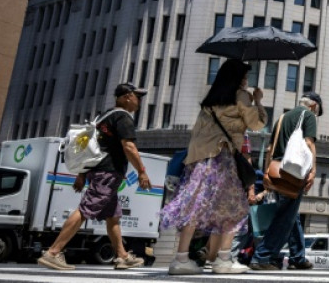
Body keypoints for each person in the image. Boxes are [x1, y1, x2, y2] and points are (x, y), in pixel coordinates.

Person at [162, 60, 267, 274]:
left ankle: (180, 258)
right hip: (223, 158)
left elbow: (197, 133)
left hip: (199, 158)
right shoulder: (241, 96)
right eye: (244, 77)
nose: (246, 81)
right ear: (237, 78)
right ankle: (223, 259)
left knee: (194, 204)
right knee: (233, 206)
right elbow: (257, 123)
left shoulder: (211, 99)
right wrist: (258, 102)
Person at [38, 83, 151, 271]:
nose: (139, 101)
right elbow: (129, 147)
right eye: (137, 96)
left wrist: (83, 174)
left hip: (99, 170)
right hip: (108, 171)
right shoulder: (123, 117)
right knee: (85, 209)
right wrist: (141, 171)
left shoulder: (104, 117)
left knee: (113, 216)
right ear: (125, 97)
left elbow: (92, 148)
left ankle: (122, 256)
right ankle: (53, 253)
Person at [247, 91, 318, 271]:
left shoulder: (282, 117)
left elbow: (270, 148)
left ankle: (297, 257)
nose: (316, 114)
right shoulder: (308, 115)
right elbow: (309, 143)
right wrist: (313, 170)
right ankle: (262, 256)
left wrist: (266, 174)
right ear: (313, 106)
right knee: (285, 217)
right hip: (293, 172)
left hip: (276, 171)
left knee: (290, 216)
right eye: (317, 110)